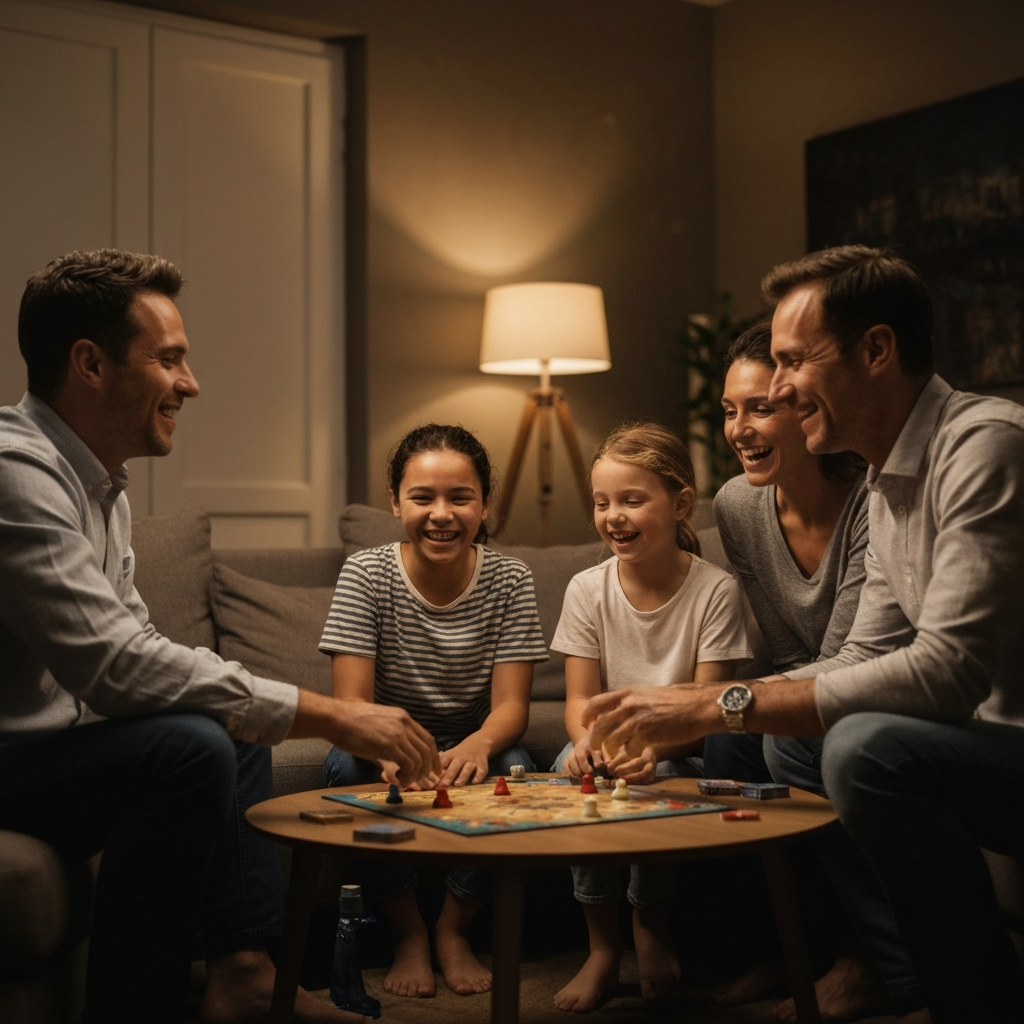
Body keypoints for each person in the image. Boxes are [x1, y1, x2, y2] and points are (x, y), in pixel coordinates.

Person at [584, 245, 1024, 1024]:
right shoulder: (890, 480)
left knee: (861, 746)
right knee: (813, 736)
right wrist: (720, 703)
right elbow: (865, 653)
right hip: (971, 740)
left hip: (999, 738)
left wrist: (722, 703)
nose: (777, 388)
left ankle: (941, 986)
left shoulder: (984, 445)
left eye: (791, 364)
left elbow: (949, 670)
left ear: (877, 351)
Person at [0, 249, 439, 1024]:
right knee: (189, 746)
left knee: (226, 721)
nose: (190, 384)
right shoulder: (16, 474)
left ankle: (244, 971)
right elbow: (116, 667)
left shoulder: (102, 490)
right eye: (169, 359)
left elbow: (140, 646)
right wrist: (335, 713)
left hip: (42, 753)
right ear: (90, 363)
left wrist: (256, 704)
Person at [710, 322, 925, 1020]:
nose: (740, 429)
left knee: (782, 739)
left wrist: (711, 699)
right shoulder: (736, 505)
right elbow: (776, 653)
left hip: (880, 691)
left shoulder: (872, 498)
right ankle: (787, 950)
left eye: (760, 408)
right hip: (801, 685)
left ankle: (873, 964)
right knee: (723, 747)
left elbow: (855, 655)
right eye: (729, 410)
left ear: (803, 409)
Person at [319, 423, 547, 999]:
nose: (441, 514)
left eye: (460, 497)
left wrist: (477, 745)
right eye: (423, 497)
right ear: (396, 503)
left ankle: (453, 927)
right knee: (344, 768)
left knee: (517, 763)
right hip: (385, 739)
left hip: (473, 738)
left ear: (485, 504)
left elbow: (512, 707)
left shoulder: (511, 579)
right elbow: (352, 706)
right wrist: (388, 749)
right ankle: (409, 932)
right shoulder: (366, 574)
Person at [549, 422, 752, 1013]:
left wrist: (654, 750)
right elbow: (578, 703)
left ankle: (648, 922)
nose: (613, 515)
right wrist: (588, 743)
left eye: (632, 500)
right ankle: (601, 947)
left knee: (659, 785)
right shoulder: (586, 589)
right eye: (602, 501)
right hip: (606, 742)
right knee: (571, 771)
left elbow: (709, 706)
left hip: (681, 745)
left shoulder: (716, 591)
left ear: (681, 503)